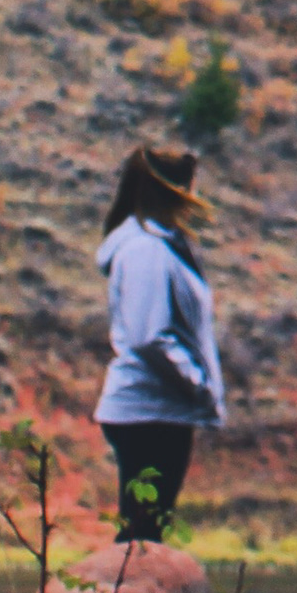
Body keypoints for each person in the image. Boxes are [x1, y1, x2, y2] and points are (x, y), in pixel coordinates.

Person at [95, 143, 225, 543]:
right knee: (143, 532)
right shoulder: (146, 250)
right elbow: (148, 335)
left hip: (157, 409)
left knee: (145, 528)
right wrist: (195, 382)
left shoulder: (161, 244)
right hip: (150, 410)